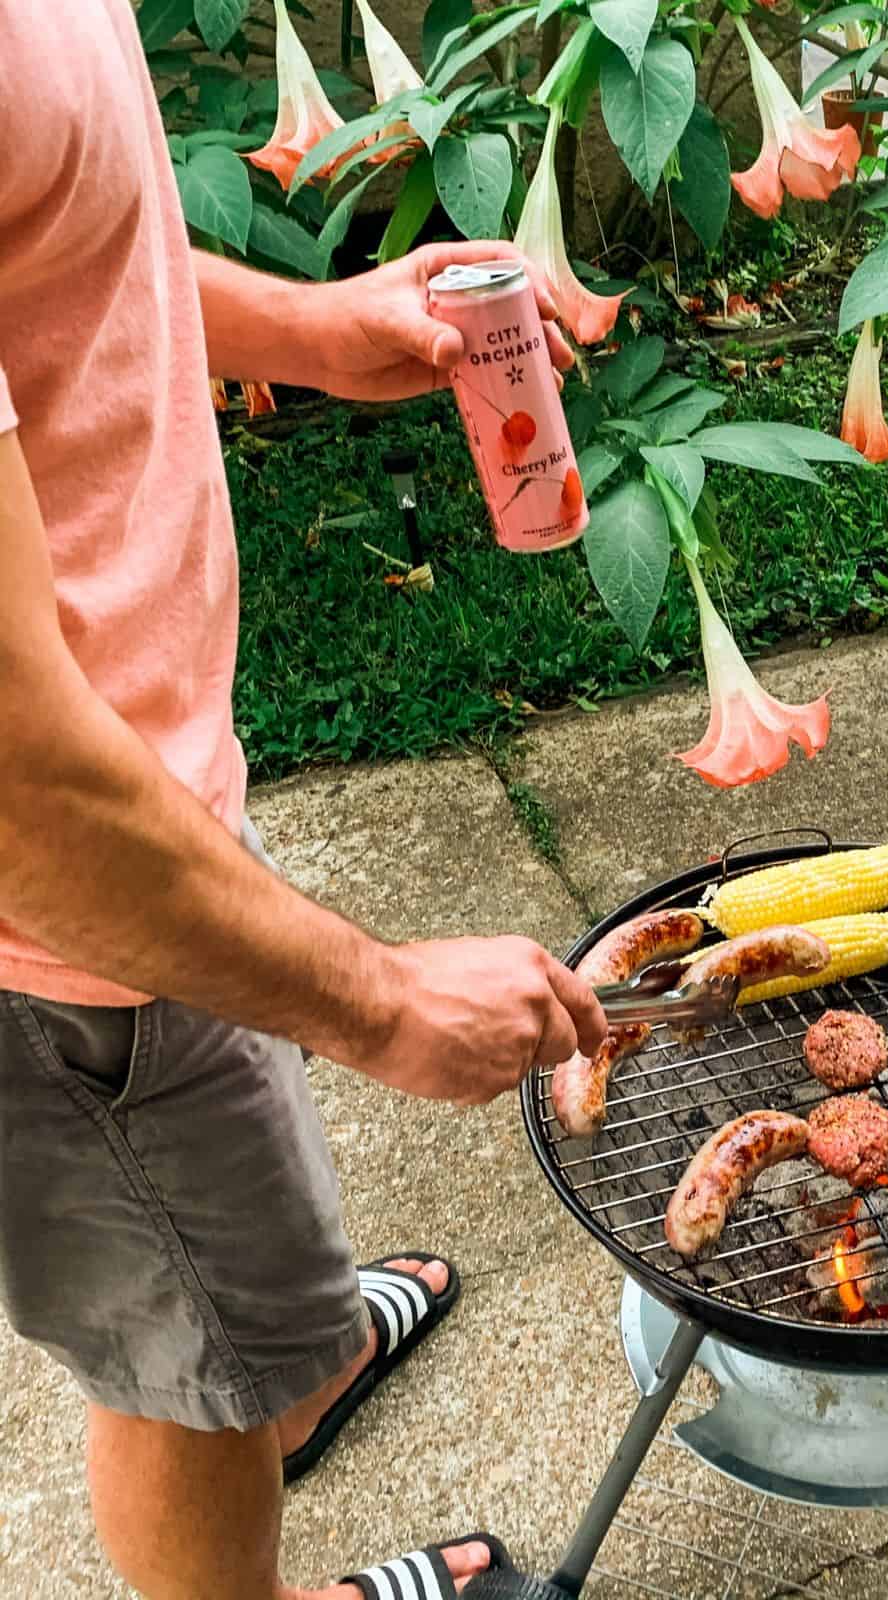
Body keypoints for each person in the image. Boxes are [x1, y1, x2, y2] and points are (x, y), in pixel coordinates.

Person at [0, 4, 607, 1596]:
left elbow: (63, 256)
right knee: (172, 1361)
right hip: (71, 923)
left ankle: (289, 1353)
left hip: (148, 804)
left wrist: (311, 328)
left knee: (226, 1242)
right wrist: (389, 1003)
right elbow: (19, 797)